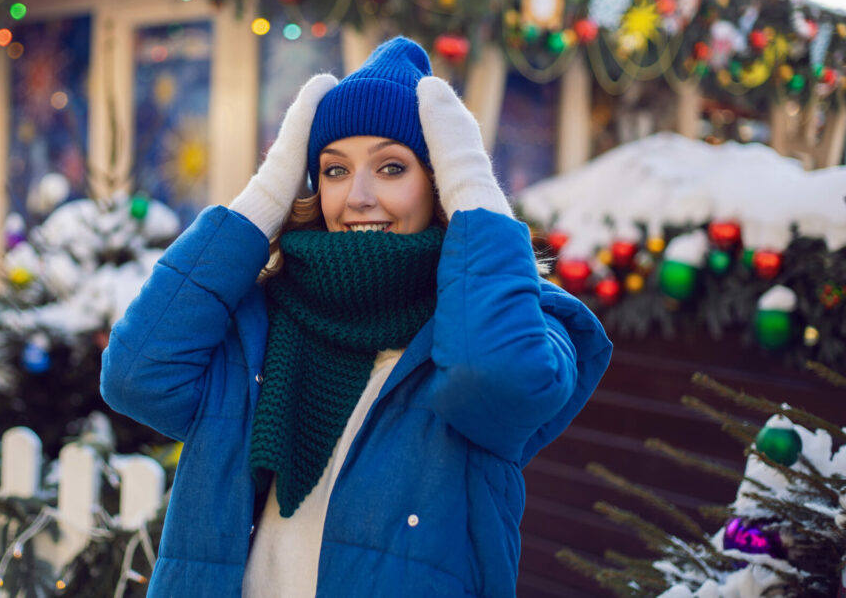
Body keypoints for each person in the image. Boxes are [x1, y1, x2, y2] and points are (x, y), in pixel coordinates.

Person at [100, 36, 612, 597]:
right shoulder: (260, 321)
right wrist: (267, 193)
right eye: (334, 171)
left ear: (439, 183)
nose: (358, 196)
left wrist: (472, 184)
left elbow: (494, 378)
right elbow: (135, 377)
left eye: (392, 167)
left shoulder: (531, 327)